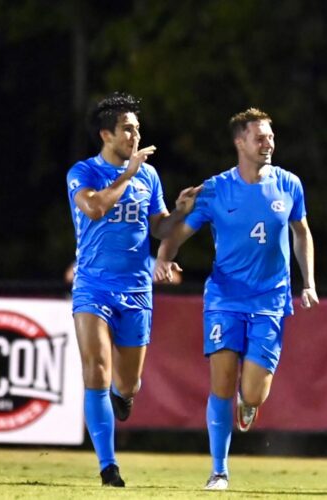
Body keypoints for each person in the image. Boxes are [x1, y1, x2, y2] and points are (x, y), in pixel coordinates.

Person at [155, 107, 318, 491]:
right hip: (224, 298)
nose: (268, 144)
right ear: (240, 142)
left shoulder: (289, 184)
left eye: (271, 137)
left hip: (270, 300)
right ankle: (219, 471)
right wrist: (163, 257)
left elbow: (301, 232)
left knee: (253, 392)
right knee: (222, 382)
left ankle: (249, 403)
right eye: (260, 138)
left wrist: (308, 282)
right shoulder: (215, 190)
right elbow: (178, 233)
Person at [66, 92, 200, 487]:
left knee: (126, 384)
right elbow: (94, 208)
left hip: (137, 290)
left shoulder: (149, 176)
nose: (135, 136)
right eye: (127, 129)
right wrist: (126, 174)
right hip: (93, 285)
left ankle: (123, 396)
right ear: (106, 134)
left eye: (137, 128)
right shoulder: (84, 172)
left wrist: (180, 212)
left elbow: (159, 228)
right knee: (96, 369)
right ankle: (108, 467)